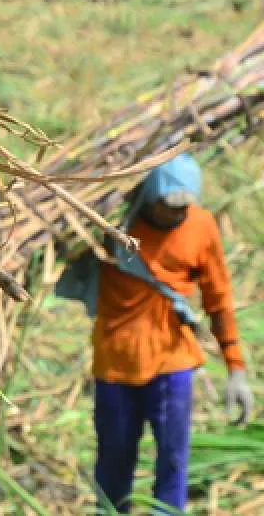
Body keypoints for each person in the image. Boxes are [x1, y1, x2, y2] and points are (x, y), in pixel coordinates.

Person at [90, 153, 252, 513]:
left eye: (184, 207)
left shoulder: (200, 226)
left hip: (172, 362)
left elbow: (218, 299)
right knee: (113, 463)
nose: (178, 215)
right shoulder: (112, 221)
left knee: (173, 462)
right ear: (150, 197)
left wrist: (236, 368)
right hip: (116, 363)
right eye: (169, 207)